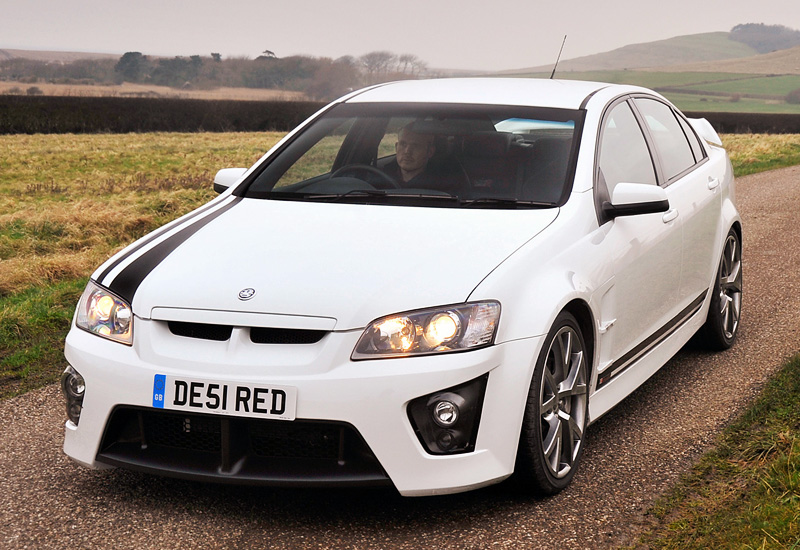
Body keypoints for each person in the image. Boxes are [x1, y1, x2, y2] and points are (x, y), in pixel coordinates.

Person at [384, 123, 437, 187]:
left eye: (415, 146)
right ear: (396, 147)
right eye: (403, 144)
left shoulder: (441, 184)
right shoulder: (381, 176)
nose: (407, 151)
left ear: (430, 152)